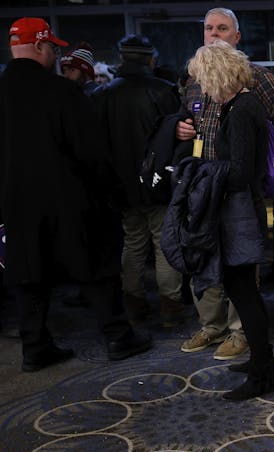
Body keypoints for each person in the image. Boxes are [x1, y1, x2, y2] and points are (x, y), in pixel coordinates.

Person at [0, 17, 151, 372]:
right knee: (95, 265)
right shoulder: (62, 92)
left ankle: (34, 348)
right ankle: (118, 336)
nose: (55, 53)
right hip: (70, 198)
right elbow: (92, 153)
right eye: (52, 47)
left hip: (15, 202)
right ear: (39, 47)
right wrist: (112, 191)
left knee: (27, 273)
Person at [175, 7, 274, 361]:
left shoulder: (250, 77)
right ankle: (212, 325)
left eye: (222, 28)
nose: (214, 33)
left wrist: (266, 167)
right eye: (208, 28)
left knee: (239, 263)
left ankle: (240, 332)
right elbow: (190, 121)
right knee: (205, 257)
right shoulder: (194, 77)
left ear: (237, 36)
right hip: (204, 187)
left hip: (237, 188)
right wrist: (181, 129)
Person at [175, 40, 274, 400]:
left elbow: (241, 172)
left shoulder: (242, 109)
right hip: (239, 209)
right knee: (244, 290)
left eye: (202, 80)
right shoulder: (239, 106)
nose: (201, 87)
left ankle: (263, 374)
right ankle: (264, 362)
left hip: (239, 212)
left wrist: (201, 173)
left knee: (243, 291)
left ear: (217, 75)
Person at [92, 34, 185, 325]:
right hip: (159, 183)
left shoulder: (102, 95)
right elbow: (177, 139)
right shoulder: (165, 91)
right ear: (150, 59)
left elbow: (97, 145)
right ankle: (170, 307)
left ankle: (134, 304)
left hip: (120, 185)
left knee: (132, 243)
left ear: (121, 59)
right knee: (164, 243)